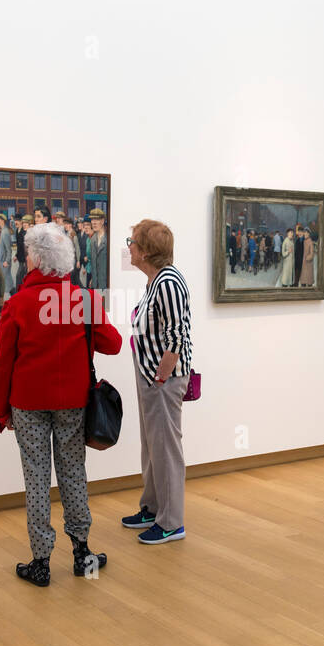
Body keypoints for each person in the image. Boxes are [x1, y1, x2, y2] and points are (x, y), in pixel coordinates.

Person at [0, 223, 122, 587]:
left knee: (36, 479)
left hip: (28, 404)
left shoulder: (18, 304)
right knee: (73, 473)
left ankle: (41, 562)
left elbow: (3, 363)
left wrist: (1, 411)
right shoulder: (85, 300)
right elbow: (113, 345)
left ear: (34, 259)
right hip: (72, 403)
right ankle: (82, 552)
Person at [122, 219, 193, 545]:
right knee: (151, 446)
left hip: (162, 380)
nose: (129, 248)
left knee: (165, 449)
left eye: (132, 242)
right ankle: (151, 508)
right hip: (150, 376)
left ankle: (171, 522)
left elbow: (177, 335)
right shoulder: (155, 281)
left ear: (147, 251)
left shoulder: (167, 282)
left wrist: (161, 377)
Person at [85, 208, 109, 290]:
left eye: (96, 219)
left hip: (107, 284)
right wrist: (93, 278)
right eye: (92, 219)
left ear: (102, 221)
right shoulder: (93, 240)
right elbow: (93, 263)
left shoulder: (109, 239)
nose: (93, 222)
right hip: (96, 284)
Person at [0, 214, 15, 296]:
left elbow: (9, 249)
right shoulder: (3, 231)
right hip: (2, 261)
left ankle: (15, 298)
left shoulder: (5, 232)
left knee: (8, 282)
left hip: (4, 262)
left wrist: (7, 261)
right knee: (6, 282)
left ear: (2, 221)